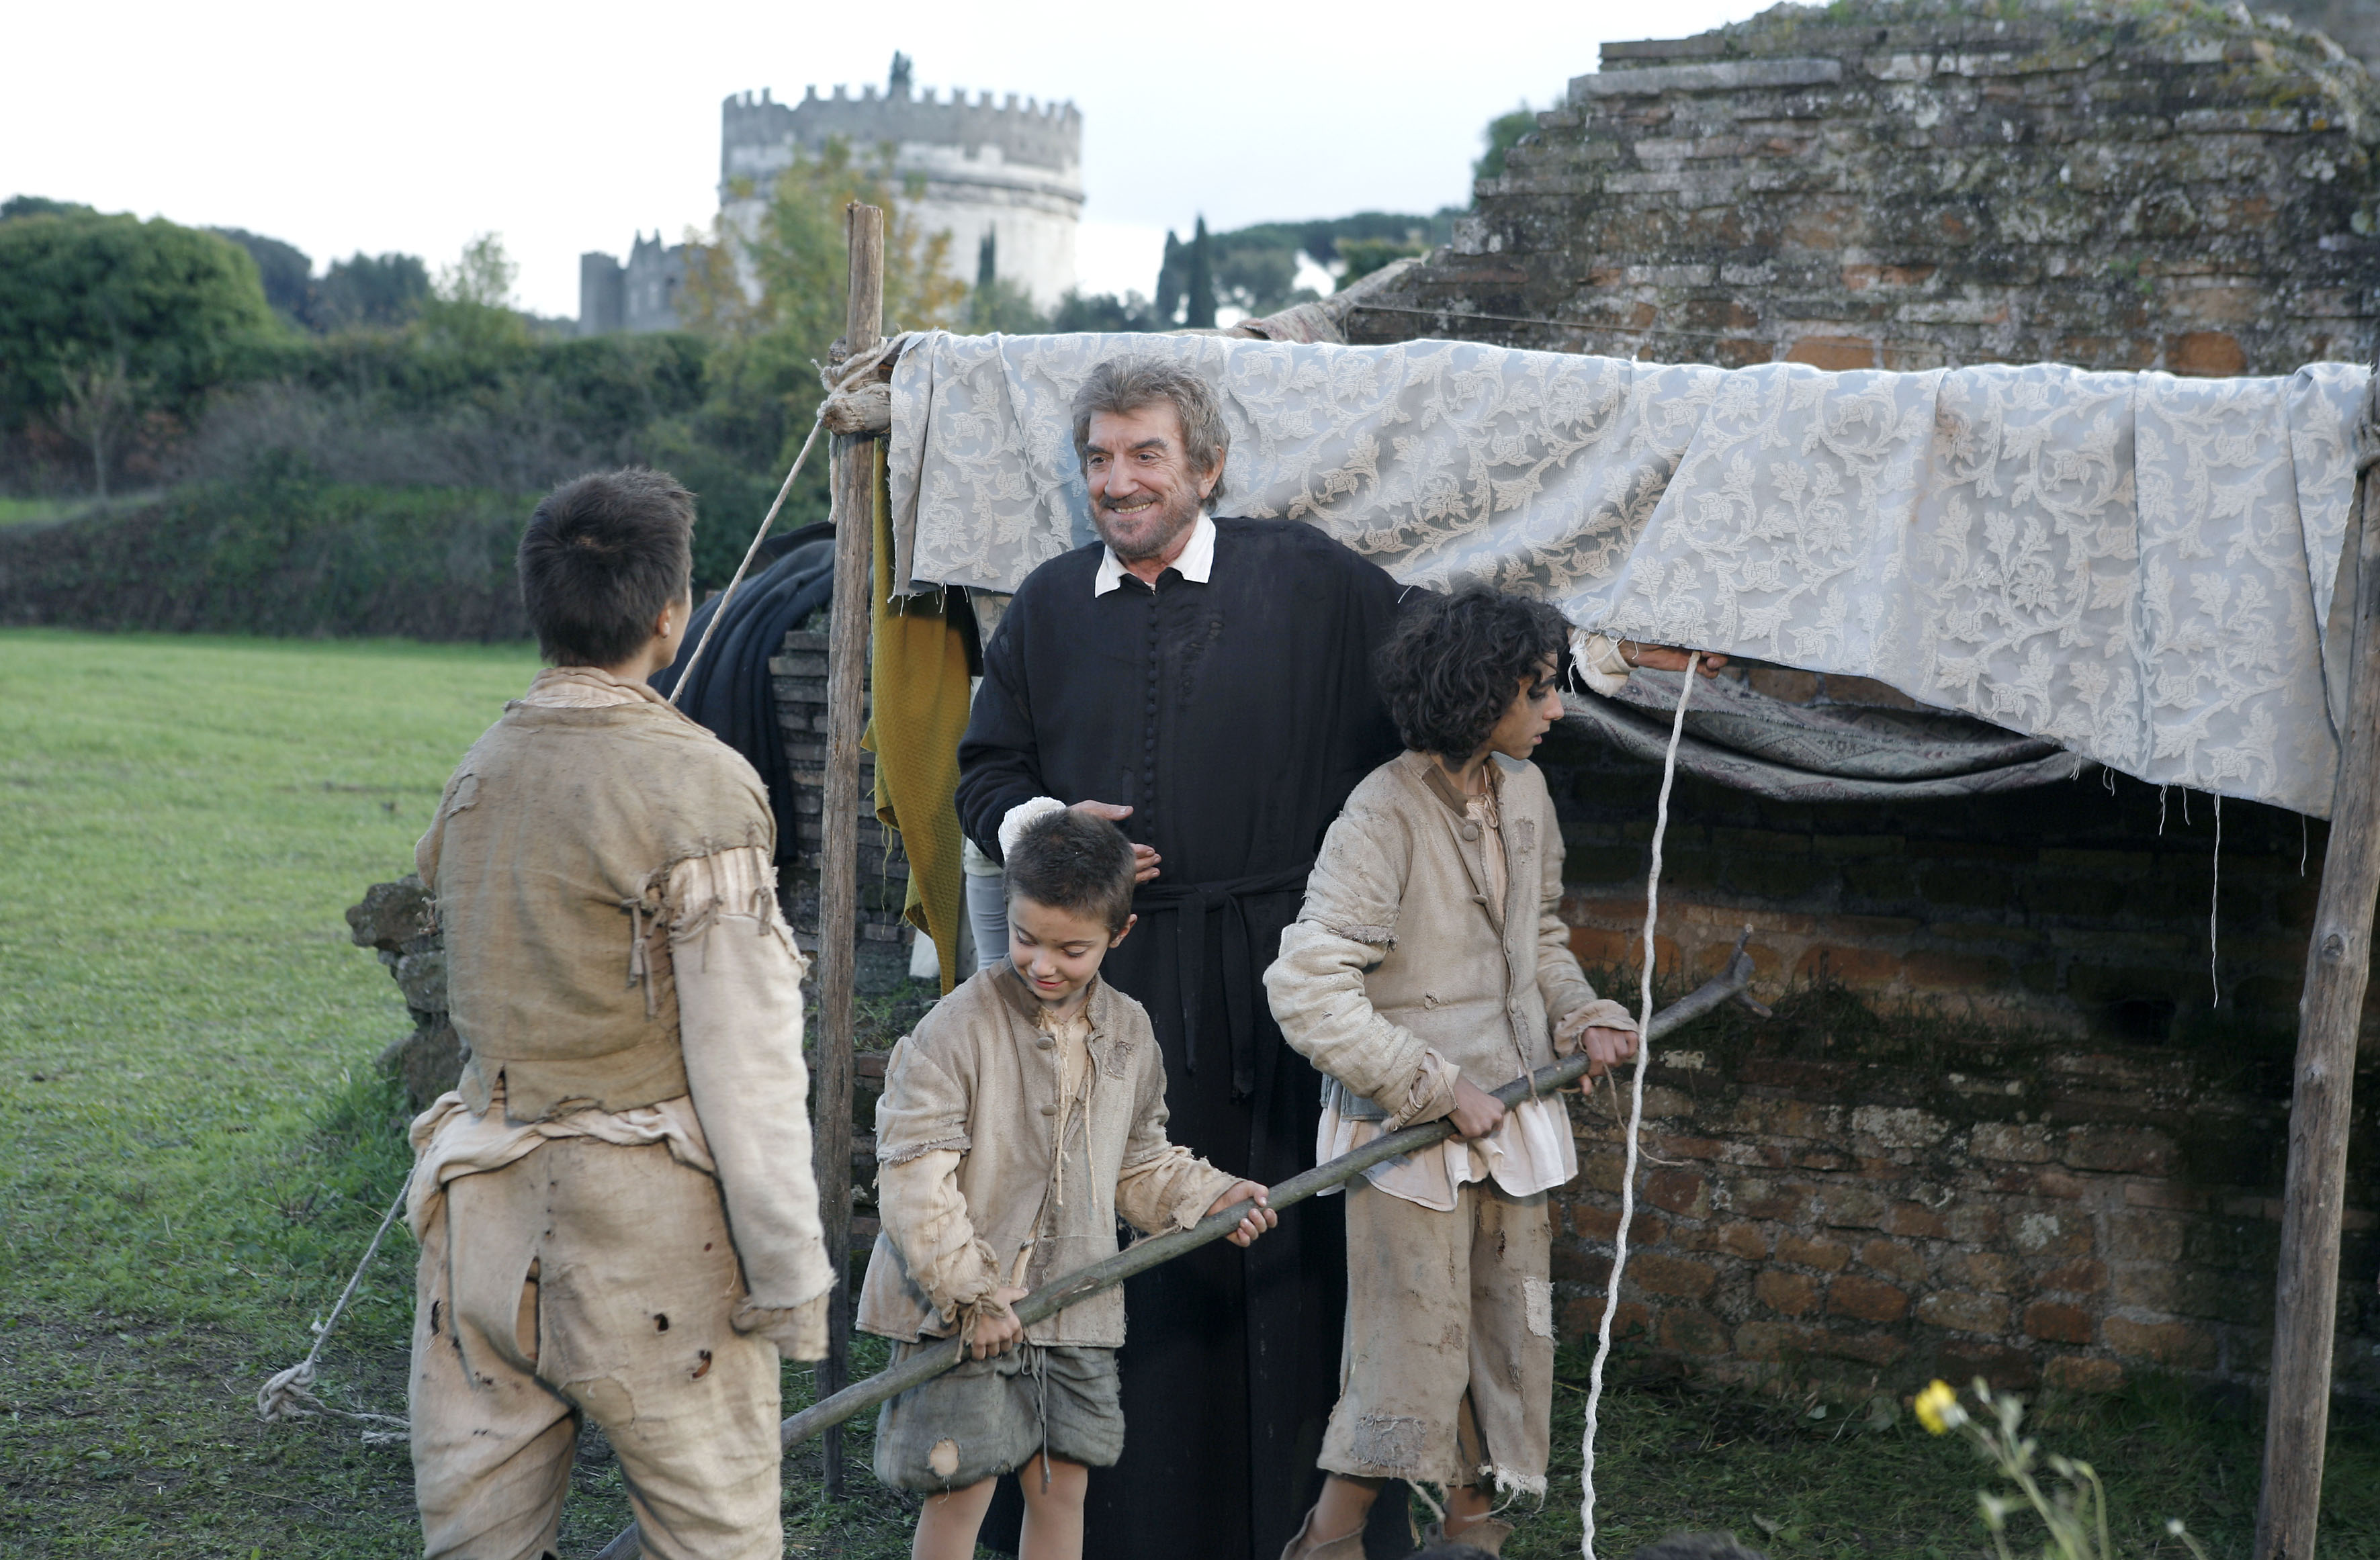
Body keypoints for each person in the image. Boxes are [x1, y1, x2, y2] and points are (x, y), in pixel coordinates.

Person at [406, 469, 832, 1560]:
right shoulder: (699, 785)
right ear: (671, 615)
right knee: (717, 1544)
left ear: (537, 606)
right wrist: (789, 1273)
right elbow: (746, 1059)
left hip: (478, 1225)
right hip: (648, 1245)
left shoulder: (479, 767)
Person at [1264, 588, 1646, 1559]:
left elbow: (1541, 939)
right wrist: (1429, 1085)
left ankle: (1469, 1538)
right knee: (1409, 1356)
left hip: (1510, 1123)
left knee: (1500, 1341)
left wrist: (1582, 1012)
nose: (1556, 708)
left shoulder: (1523, 792)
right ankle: (1325, 1543)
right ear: (1484, 692)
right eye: (1540, 688)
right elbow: (1306, 989)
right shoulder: (1380, 812)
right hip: (1409, 1138)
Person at [859, 807, 1278, 1560]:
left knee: (1063, 1486)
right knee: (961, 1486)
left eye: (1071, 948)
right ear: (1008, 910)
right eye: (1026, 938)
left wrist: (1206, 1195)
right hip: (966, 1310)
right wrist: (971, 1293)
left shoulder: (1129, 1030)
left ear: (1119, 934)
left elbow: (1138, 1159)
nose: (1043, 963)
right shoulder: (954, 1030)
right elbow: (915, 1182)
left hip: (1075, 1300)